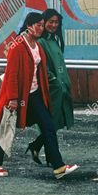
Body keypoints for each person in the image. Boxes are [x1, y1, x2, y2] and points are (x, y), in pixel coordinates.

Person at [0, 12, 78, 179]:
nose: (41, 28)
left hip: (35, 95)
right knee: (8, 128)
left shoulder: (37, 45)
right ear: (29, 26)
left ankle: (59, 167)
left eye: (42, 25)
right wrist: (13, 99)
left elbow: (39, 73)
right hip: (20, 97)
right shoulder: (18, 47)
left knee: (48, 127)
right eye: (38, 25)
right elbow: (12, 75)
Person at [26, 9, 74, 166]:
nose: (53, 25)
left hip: (60, 89)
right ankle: (54, 161)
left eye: (56, 22)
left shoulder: (55, 40)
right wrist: (54, 81)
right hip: (50, 90)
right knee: (50, 124)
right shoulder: (41, 42)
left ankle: (37, 147)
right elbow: (42, 68)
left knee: (54, 123)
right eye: (50, 22)